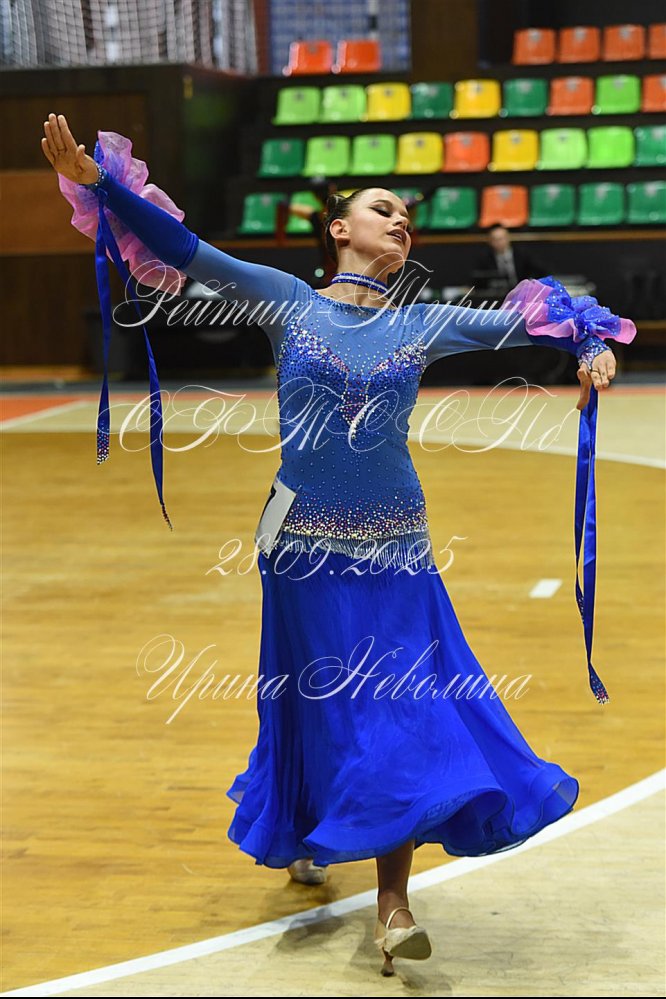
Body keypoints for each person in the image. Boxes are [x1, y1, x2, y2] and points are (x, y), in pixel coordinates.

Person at [41, 113, 634, 977]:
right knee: (319, 702)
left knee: (400, 711)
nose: (400, 222)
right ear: (339, 229)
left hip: (398, 551)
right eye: (383, 208)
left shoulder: (422, 322)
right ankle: (314, 827)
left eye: (407, 217)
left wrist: (590, 344)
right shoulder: (286, 301)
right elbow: (188, 249)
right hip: (300, 550)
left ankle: (393, 905)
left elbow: (525, 323)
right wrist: (100, 185)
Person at [474, 221, 547, 284]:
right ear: (490, 241)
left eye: (501, 239)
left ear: (508, 238)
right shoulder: (484, 259)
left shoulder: (522, 254)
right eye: (495, 239)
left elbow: (539, 272)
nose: (499, 243)